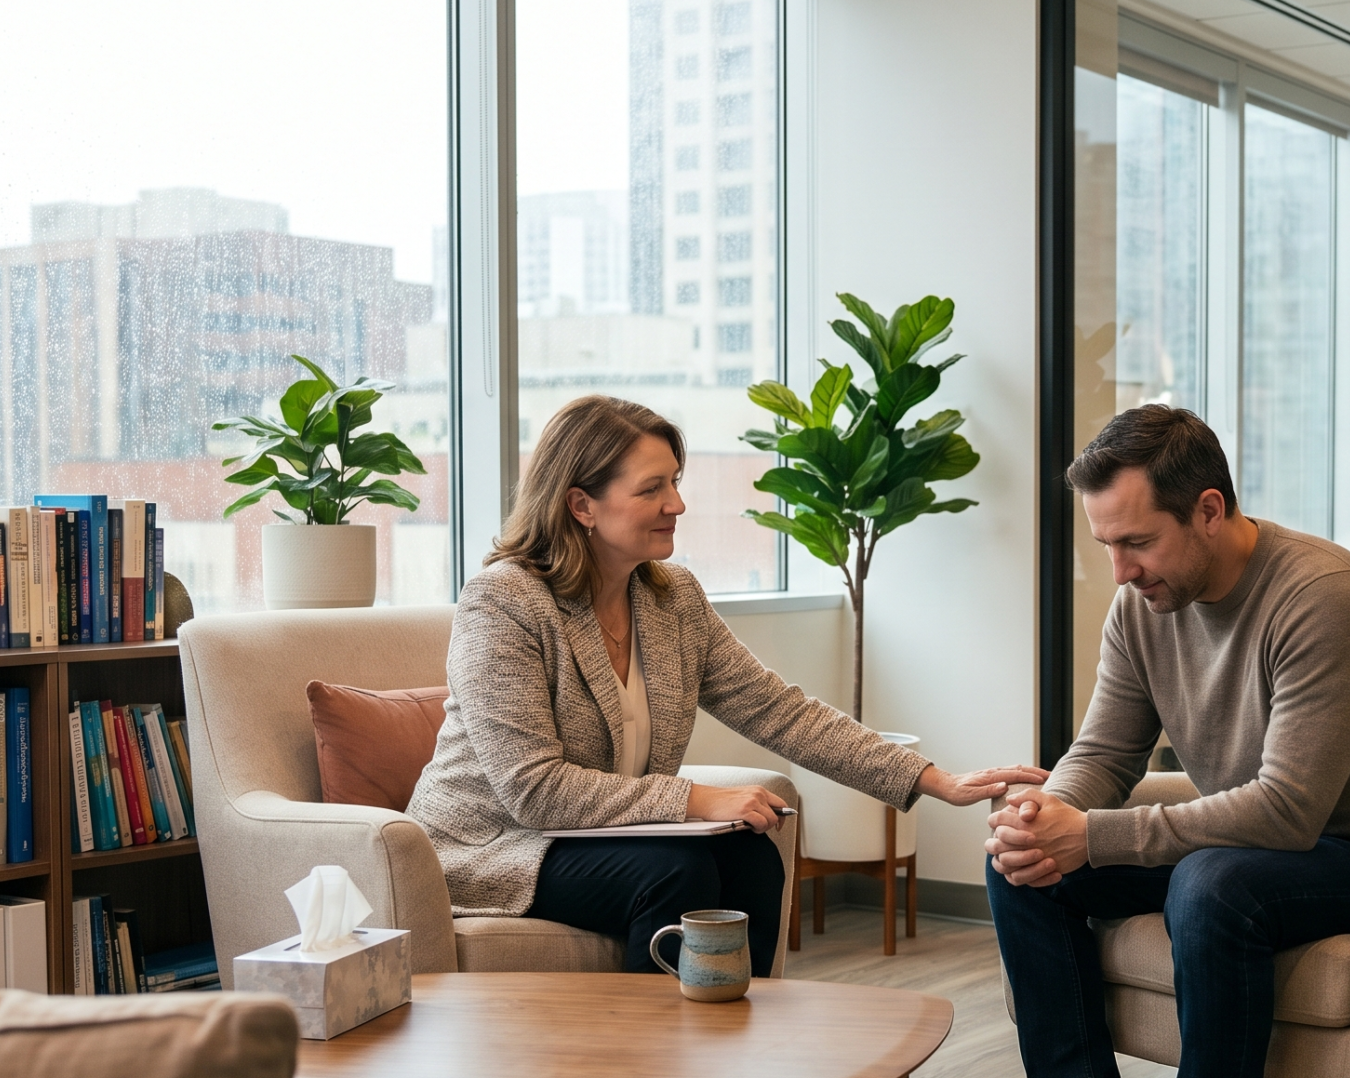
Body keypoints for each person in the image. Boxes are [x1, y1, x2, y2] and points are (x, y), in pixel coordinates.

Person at [945, 404, 1350, 1078]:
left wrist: (1094, 834)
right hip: (1249, 844)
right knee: (1022, 866)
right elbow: (1104, 753)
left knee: (1212, 884)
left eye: (1137, 542)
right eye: (1107, 545)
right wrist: (1046, 817)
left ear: (1209, 510)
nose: (1120, 570)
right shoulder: (1141, 607)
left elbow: (1290, 808)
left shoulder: (1322, 596)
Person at [405, 393, 1043, 972]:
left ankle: (733, 1051)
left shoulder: (672, 600)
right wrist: (698, 799)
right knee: (674, 873)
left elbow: (780, 712)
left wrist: (934, 780)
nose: (677, 505)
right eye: (652, 488)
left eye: (675, 483)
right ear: (581, 505)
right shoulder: (505, 601)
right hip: (494, 846)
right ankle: (646, 1061)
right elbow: (533, 790)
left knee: (752, 856)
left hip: (597, 838)